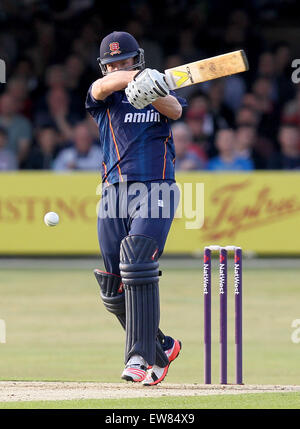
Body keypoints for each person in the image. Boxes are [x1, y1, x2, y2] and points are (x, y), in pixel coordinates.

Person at [85, 31, 186, 386]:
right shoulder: (103, 96)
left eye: (124, 61)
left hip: (156, 188)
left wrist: (154, 89)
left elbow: (175, 110)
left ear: (137, 58)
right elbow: (100, 88)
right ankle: (162, 346)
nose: (116, 67)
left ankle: (140, 357)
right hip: (113, 193)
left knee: (138, 258)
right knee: (113, 288)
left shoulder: (156, 89)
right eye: (110, 63)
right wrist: (130, 78)